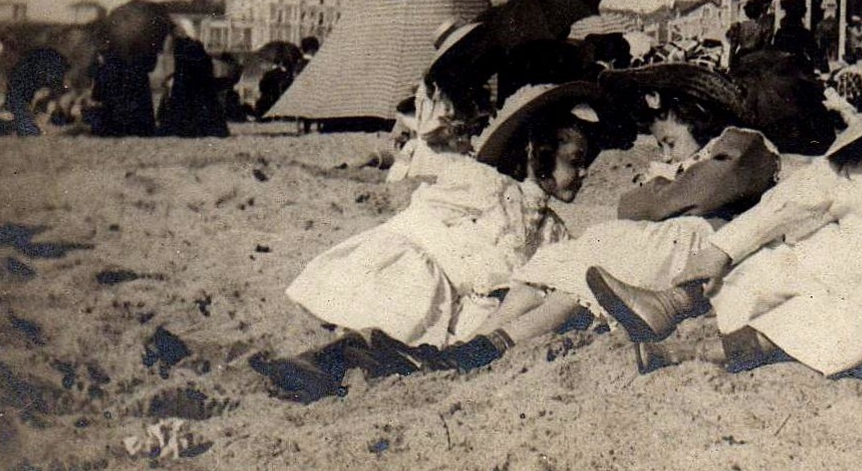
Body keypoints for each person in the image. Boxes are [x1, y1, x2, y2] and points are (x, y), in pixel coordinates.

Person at [587, 46, 862, 380]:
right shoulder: (852, 173)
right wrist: (720, 250)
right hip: (826, 273)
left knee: (815, 330)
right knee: (762, 263)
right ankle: (671, 303)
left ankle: (684, 354)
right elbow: (783, 208)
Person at [251, 82, 604, 402]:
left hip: (469, 309)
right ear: (537, 153)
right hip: (425, 286)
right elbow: (419, 228)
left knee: (409, 356)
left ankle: (333, 373)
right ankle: (313, 367)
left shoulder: (552, 230)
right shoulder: (486, 187)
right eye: (574, 162)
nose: (583, 172)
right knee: (381, 339)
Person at [439, 64, 782, 367]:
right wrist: (664, 187)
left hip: (705, 246)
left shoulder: (744, 143)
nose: (666, 154)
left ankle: (489, 347)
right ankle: (466, 346)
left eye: (669, 142)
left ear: (695, 115)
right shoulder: (693, 163)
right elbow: (634, 206)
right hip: (675, 242)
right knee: (561, 265)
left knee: (581, 279)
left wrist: (660, 188)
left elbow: (702, 191)